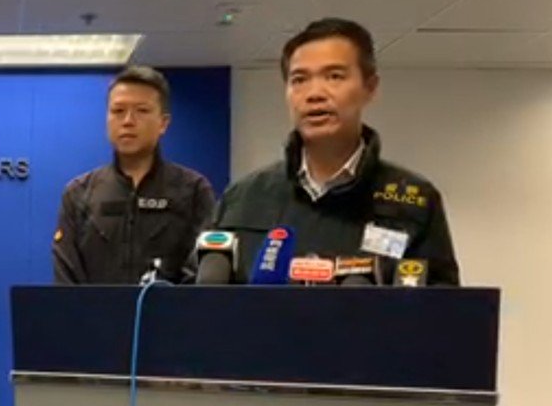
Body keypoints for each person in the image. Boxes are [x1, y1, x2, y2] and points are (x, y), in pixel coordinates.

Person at [211, 18, 460, 284]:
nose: (314, 93)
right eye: (299, 79)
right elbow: (203, 291)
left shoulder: (415, 200)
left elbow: (442, 303)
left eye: (334, 76)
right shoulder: (243, 197)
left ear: (370, 88)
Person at [53, 66, 216, 284]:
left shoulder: (193, 190)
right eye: (118, 111)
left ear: (163, 123)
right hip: (93, 308)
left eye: (142, 111)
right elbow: (66, 279)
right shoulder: (79, 193)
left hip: (168, 307)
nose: (128, 121)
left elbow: (202, 277)